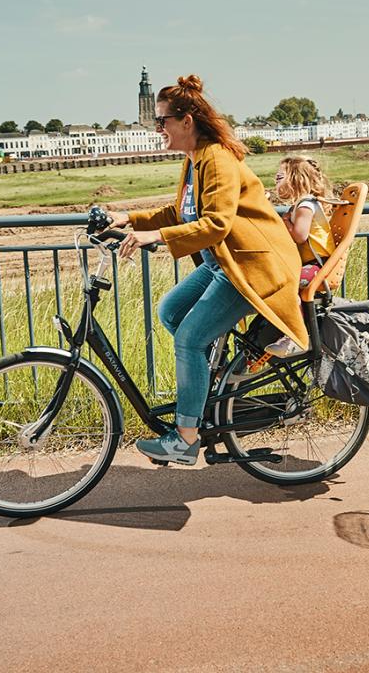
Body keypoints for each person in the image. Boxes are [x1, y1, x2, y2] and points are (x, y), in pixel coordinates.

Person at [108, 75, 307, 465]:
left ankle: (185, 439)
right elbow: (178, 213)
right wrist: (125, 216)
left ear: (187, 121)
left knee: (189, 339)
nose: (157, 128)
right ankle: (209, 385)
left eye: (162, 121)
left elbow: (216, 223)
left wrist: (155, 238)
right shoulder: (194, 160)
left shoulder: (216, 158)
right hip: (224, 262)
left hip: (252, 266)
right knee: (171, 312)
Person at [264, 155, 337, 357]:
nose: (276, 181)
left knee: (286, 285)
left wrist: (283, 221)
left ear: (296, 178)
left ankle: (297, 337)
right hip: (312, 265)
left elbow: (299, 235)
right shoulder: (300, 205)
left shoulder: (305, 205)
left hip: (317, 267)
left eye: (280, 177)